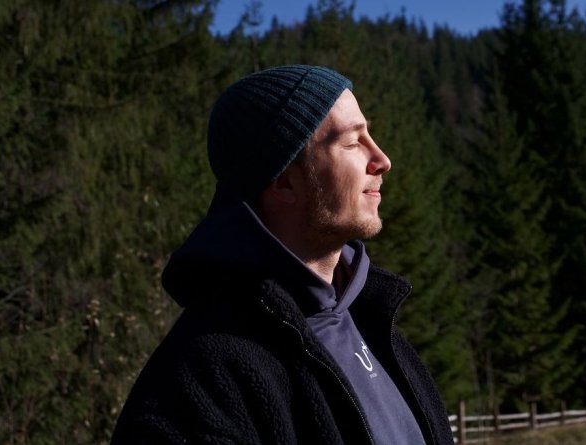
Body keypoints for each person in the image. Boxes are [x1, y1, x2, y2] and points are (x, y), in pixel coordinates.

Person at [110, 65, 454, 445]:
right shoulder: (200, 381)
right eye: (352, 142)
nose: (382, 159)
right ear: (285, 182)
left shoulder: (373, 322)